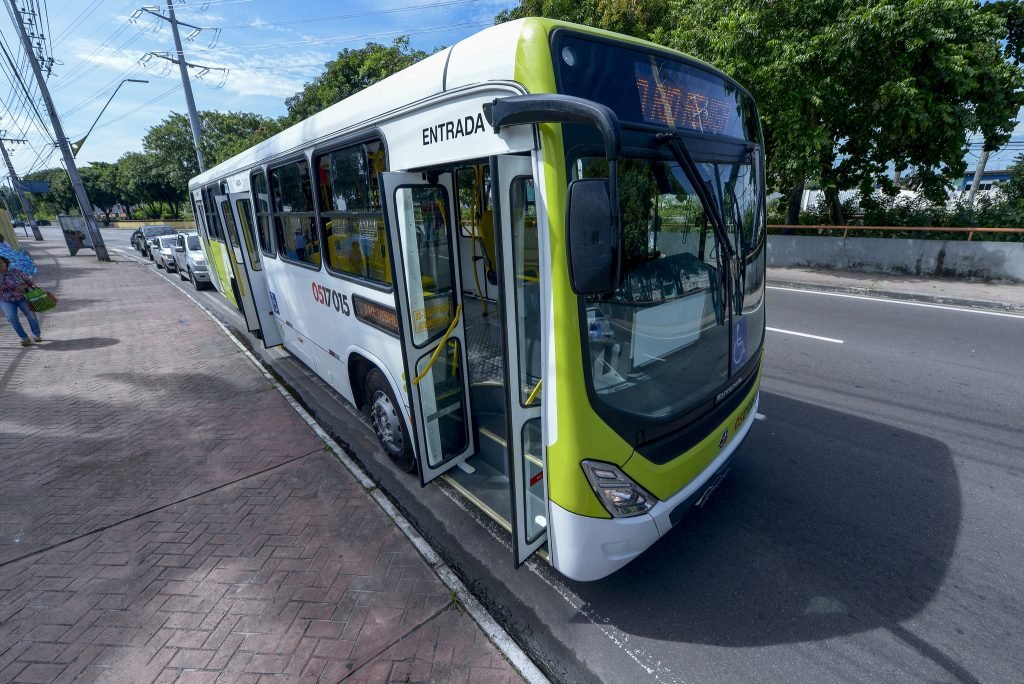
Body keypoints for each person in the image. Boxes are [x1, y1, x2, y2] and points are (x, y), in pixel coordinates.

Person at [0, 255, 42, 347]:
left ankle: (36, 334)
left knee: (31, 315)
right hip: (5, 300)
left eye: (1, 263)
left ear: (6, 263)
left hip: (22, 297)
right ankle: (24, 338)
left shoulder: (16, 272)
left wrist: (24, 286)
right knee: (11, 318)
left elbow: (29, 282)